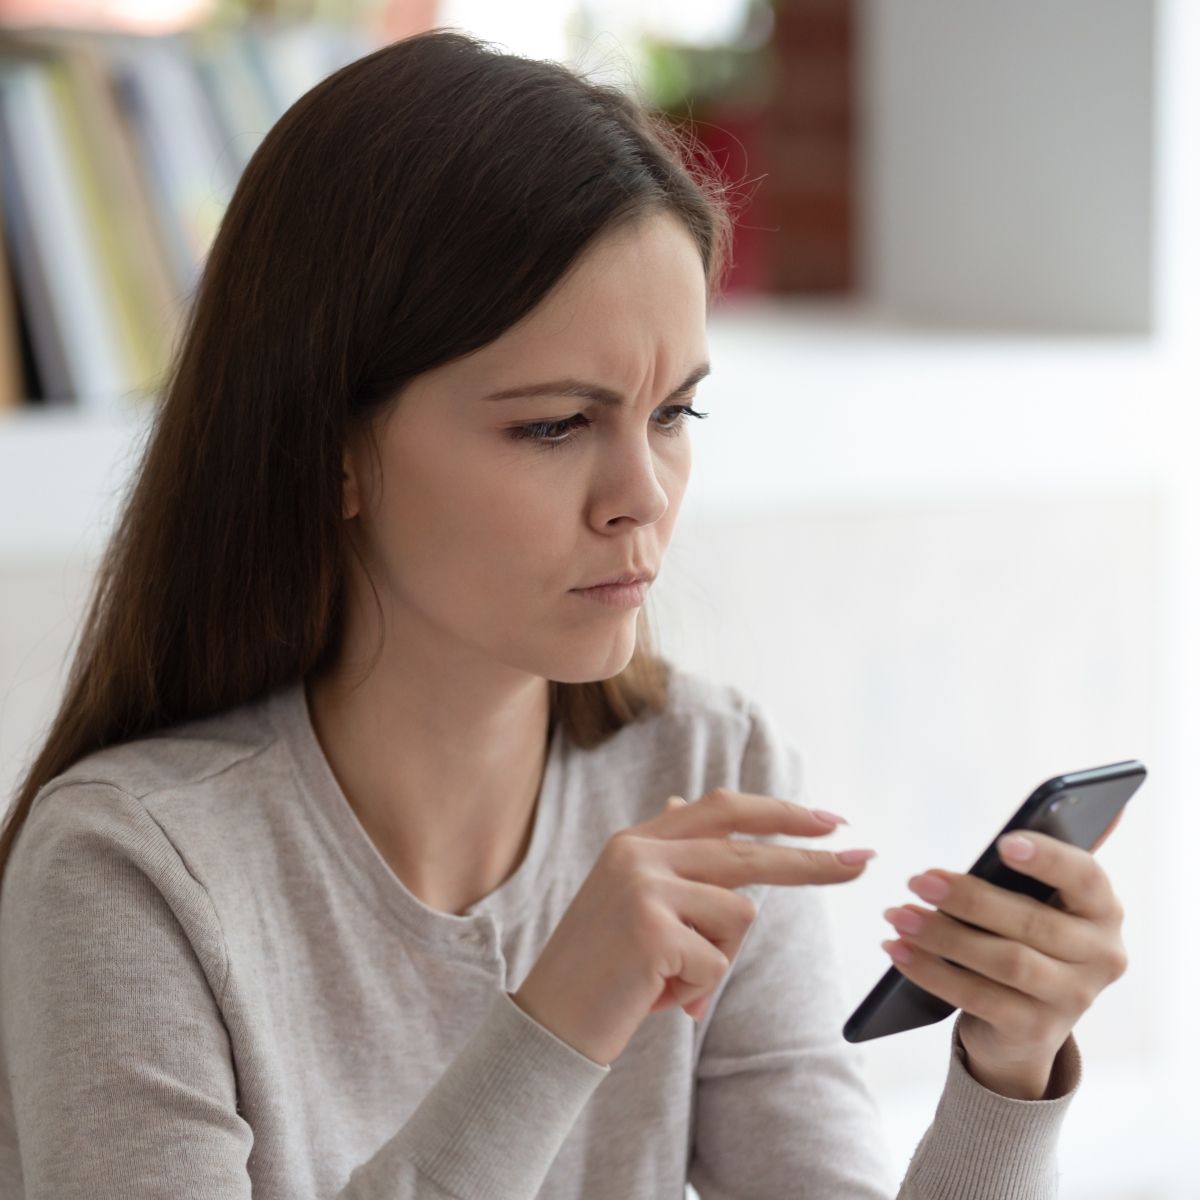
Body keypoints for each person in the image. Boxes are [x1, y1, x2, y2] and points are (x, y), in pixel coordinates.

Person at [0, 26, 1121, 1199]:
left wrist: (1008, 1072)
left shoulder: (701, 768)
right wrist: (559, 1019)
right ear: (329, 451)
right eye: (554, 425)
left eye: (674, 414)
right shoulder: (126, 873)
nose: (641, 496)